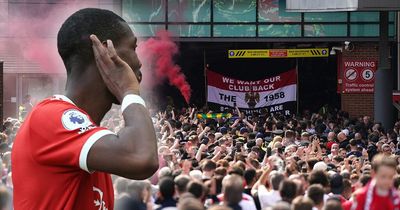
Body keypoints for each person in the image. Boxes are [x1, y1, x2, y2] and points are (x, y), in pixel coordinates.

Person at [11, 8, 159, 210]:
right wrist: (128, 91)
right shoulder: (49, 116)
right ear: (105, 53)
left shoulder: (93, 148)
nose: (139, 62)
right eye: (133, 48)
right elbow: (142, 158)